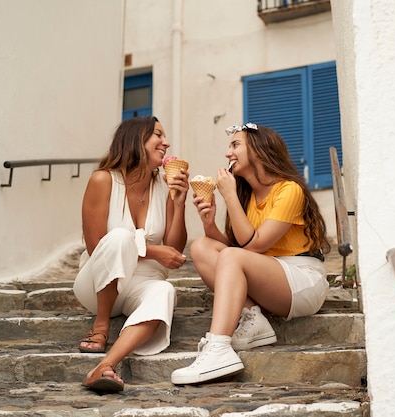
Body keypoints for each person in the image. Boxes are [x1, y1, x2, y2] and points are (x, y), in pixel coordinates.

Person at [171, 122, 330, 385]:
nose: (227, 153)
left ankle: (219, 347)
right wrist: (209, 223)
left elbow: (253, 247)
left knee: (231, 257)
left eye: (235, 145)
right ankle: (254, 319)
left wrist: (229, 195)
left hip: (302, 279)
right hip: (268, 273)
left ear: (258, 150)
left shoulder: (289, 189)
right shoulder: (247, 196)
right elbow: (237, 250)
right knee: (201, 246)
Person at [73, 116, 189, 393]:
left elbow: (174, 247)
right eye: (158, 135)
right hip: (99, 284)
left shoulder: (164, 186)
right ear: (136, 139)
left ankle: (104, 366)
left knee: (164, 290)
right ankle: (101, 325)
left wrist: (180, 203)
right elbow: (95, 245)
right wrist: (152, 250)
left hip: (141, 285)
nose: (166, 142)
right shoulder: (103, 180)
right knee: (120, 237)